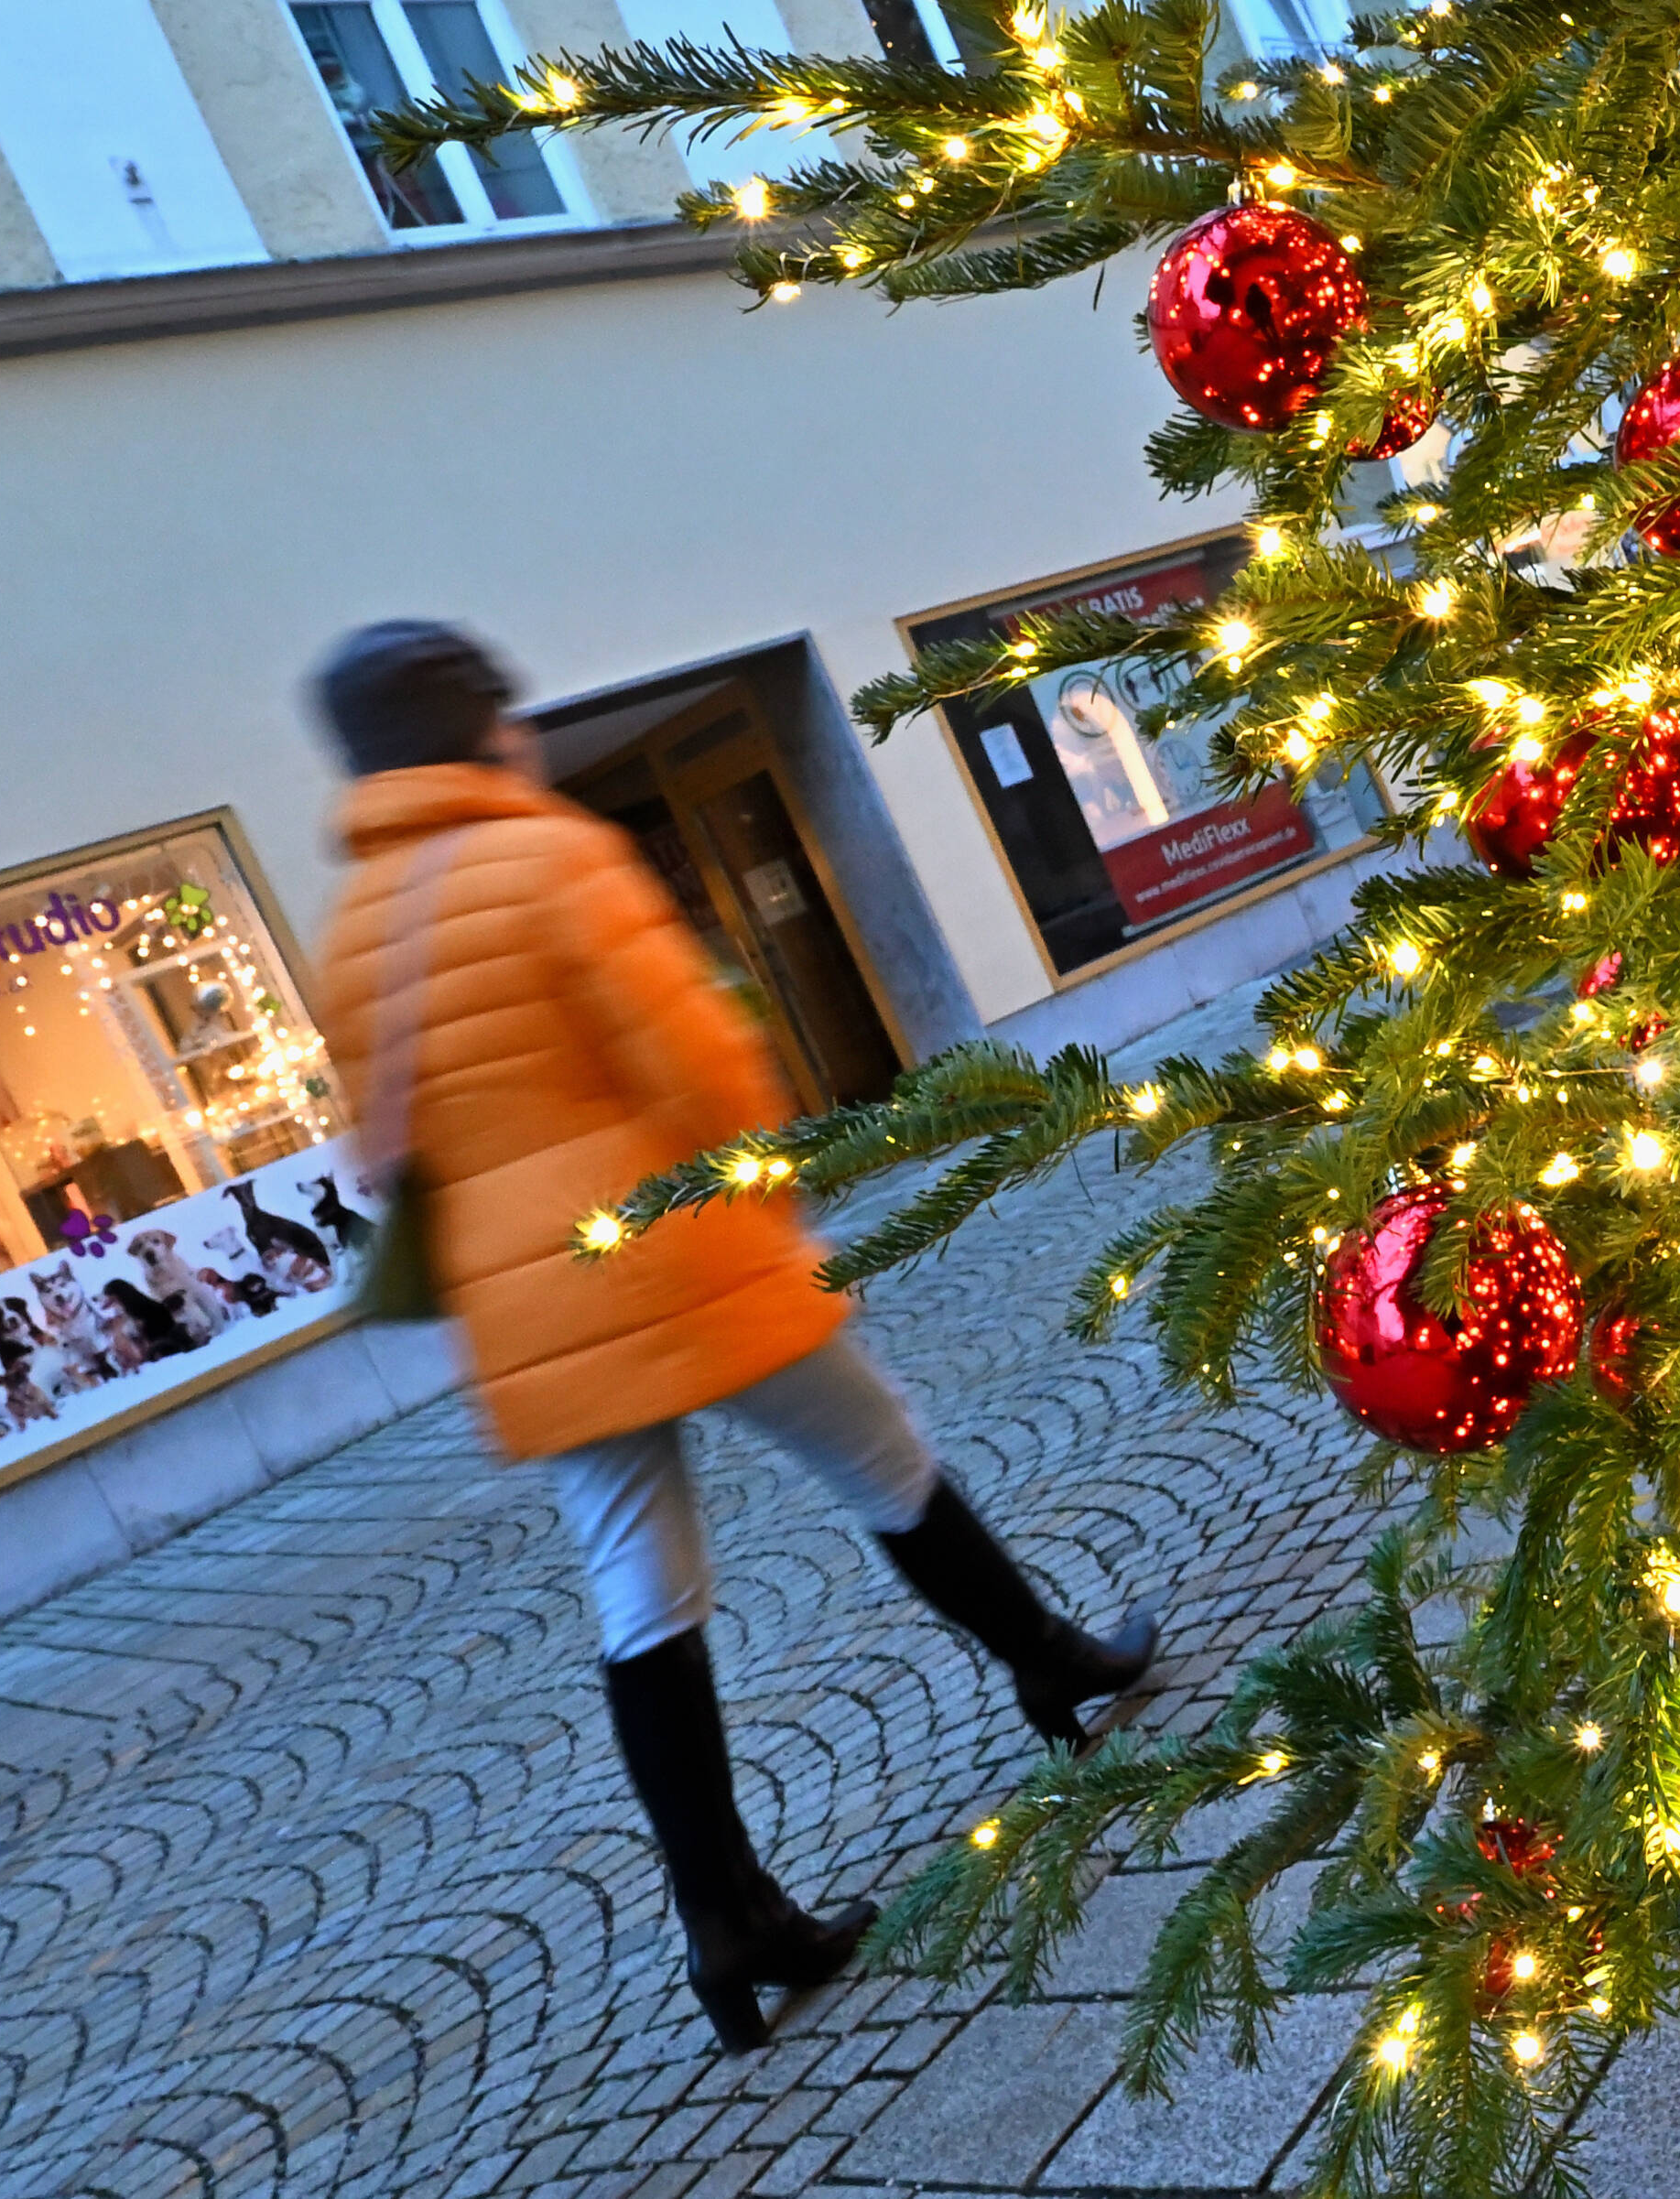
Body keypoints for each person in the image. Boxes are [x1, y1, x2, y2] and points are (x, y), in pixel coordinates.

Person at [308, 620, 1159, 2053]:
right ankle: (1047, 1656)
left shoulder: (358, 929)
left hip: (532, 1311)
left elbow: (407, 1154)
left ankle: (727, 1915)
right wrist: (771, 1176)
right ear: (480, 726)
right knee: (885, 1457)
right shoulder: (550, 855)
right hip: (672, 1255)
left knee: (640, 1586)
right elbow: (693, 1058)